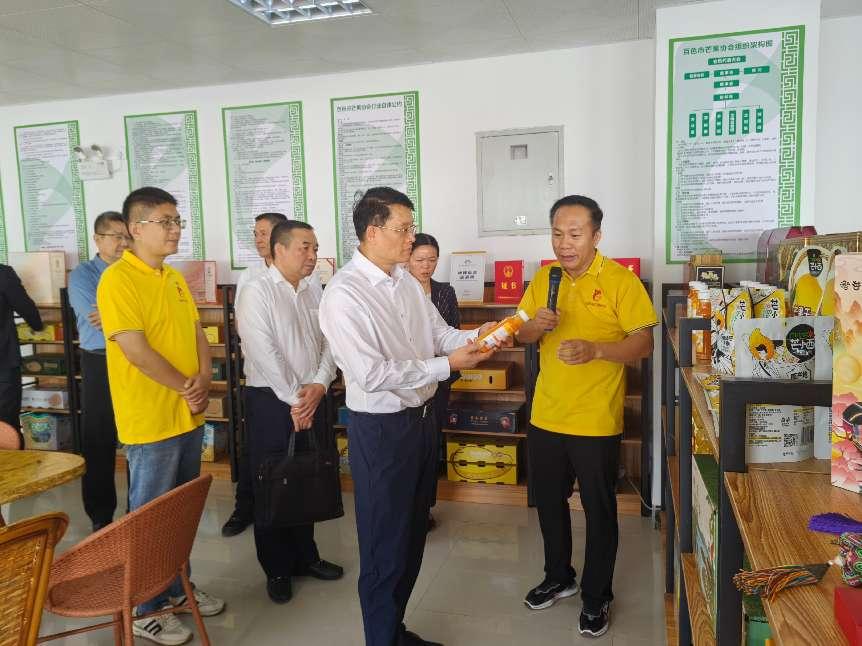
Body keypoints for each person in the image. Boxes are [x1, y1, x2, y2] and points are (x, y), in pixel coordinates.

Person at [319, 187, 499, 646]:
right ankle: (381, 638)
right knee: (384, 544)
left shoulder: (405, 282)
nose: (411, 239)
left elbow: (438, 334)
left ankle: (393, 630)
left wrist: (477, 335)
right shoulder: (344, 295)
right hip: (383, 431)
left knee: (413, 532)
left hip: (421, 421)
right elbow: (371, 374)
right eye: (403, 229)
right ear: (372, 232)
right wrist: (447, 365)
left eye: (412, 228)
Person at [515, 195, 657, 638]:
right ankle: (559, 576)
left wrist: (597, 350)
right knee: (549, 503)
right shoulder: (545, 278)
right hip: (546, 414)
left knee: (599, 510)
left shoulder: (620, 281)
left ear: (596, 236)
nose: (564, 243)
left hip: (595, 419)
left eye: (575, 234)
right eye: (557, 234)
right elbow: (520, 332)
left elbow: (644, 343)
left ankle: (597, 596)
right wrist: (537, 326)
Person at [97, 187, 225, 646]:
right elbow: (134, 349)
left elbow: (197, 334)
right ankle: (143, 609)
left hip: (186, 415)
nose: (175, 230)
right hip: (150, 421)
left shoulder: (172, 277)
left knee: (180, 516)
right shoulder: (117, 280)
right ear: (136, 228)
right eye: (165, 221)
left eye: (177, 221)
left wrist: (204, 378)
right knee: (149, 520)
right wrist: (186, 386)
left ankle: (176, 590)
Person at [236, 219, 344, 604]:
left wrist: (320, 384)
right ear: (278, 250)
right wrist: (296, 399)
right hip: (272, 400)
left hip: (312, 396)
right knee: (273, 482)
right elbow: (262, 351)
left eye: (315, 248)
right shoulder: (257, 291)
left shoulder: (313, 289)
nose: (313, 256)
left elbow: (330, 342)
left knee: (307, 477)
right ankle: (277, 568)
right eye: (305, 248)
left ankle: (305, 557)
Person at [222, 211, 288, 538]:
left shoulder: (304, 275)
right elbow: (246, 329)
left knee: (292, 454)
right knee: (256, 451)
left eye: (265, 233)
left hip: (300, 384)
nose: (259, 240)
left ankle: (291, 516)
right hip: (262, 382)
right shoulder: (250, 277)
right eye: (256, 234)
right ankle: (244, 508)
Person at [68, 211, 131, 532]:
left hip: (133, 359)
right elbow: (96, 319)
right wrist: (129, 318)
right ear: (97, 239)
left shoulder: (134, 271)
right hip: (99, 361)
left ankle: (138, 508)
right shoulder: (83, 275)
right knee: (98, 439)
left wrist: (116, 316)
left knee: (137, 436)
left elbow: (126, 318)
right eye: (116, 236)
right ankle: (100, 515)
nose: (123, 243)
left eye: (126, 236)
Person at [406, 233, 460, 531]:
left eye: (432, 260)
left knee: (430, 444)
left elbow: (451, 331)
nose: (426, 266)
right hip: (411, 378)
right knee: (410, 447)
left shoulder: (444, 292)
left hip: (441, 377)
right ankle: (409, 507)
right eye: (420, 260)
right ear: (407, 259)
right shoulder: (399, 290)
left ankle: (426, 506)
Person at [0, 264, 43, 447]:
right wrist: (37, 325)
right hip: (3, 361)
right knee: (6, 422)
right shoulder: (3, 274)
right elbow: (25, 307)